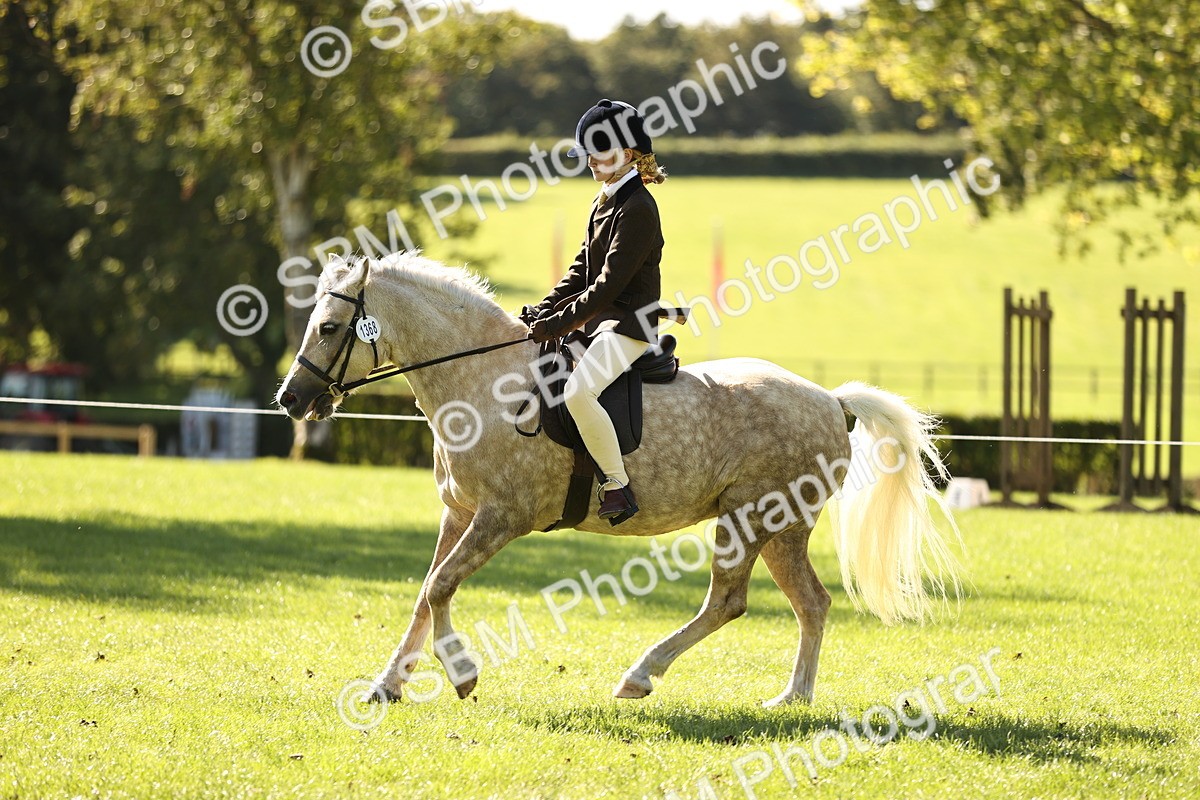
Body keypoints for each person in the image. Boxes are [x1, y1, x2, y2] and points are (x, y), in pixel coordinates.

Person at [526, 99, 669, 525]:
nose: (589, 160)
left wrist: (558, 323)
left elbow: (608, 285)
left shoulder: (638, 208)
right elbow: (581, 269)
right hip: (599, 322)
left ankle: (618, 485)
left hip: (628, 325)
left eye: (598, 151)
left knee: (577, 392)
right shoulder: (605, 198)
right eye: (587, 151)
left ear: (627, 154)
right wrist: (544, 309)